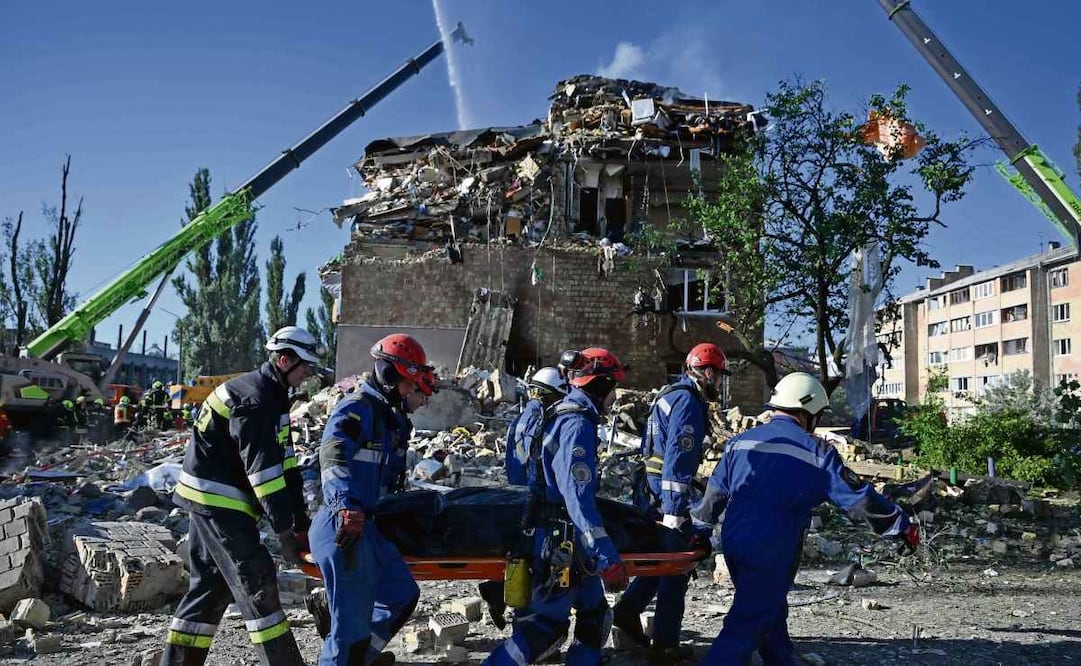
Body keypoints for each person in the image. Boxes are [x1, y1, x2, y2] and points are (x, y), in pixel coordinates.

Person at [691, 372, 920, 665]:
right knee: (747, 622)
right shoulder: (816, 452)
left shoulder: (739, 443)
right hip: (771, 545)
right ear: (807, 410)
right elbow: (858, 498)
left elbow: (714, 494)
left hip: (734, 540)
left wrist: (699, 529)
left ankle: (782, 659)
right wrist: (899, 525)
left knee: (768, 607)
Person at [161, 326, 319, 665]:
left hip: (216, 497)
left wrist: (300, 519)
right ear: (284, 359)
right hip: (216, 499)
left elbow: (286, 462)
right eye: (305, 364)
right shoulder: (255, 399)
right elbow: (264, 474)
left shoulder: (274, 394)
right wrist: (283, 531)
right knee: (256, 577)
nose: (309, 372)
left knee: (210, 588)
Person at [484, 348, 630, 666]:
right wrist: (607, 557)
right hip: (561, 540)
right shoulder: (576, 424)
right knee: (547, 628)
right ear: (601, 384)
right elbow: (575, 496)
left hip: (567, 538)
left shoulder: (563, 415)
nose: (615, 395)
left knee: (594, 613)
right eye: (613, 386)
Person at [310, 334, 434, 666]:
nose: (413, 393)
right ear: (391, 376)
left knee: (401, 595)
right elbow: (333, 454)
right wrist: (345, 505)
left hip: (367, 527)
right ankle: (347, 657)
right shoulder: (358, 408)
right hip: (344, 526)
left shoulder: (387, 418)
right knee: (348, 633)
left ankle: (360, 658)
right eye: (410, 385)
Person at [614, 342, 728, 658]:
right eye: (718, 377)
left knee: (659, 560)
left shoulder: (671, 395)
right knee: (676, 564)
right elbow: (677, 459)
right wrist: (675, 511)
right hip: (666, 495)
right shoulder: (689, 403)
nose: (718, 383)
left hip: (651, 490)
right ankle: (664, 645)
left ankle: (628, 609)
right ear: (707, 372)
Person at [479, 366, 570, 629]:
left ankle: (499, 591)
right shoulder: (541, 421)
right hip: (535, 503)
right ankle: (526, 627)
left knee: (517, 556)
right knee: (533, 566)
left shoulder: (521, 418)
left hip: (517, 496)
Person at [506, 367, 569, 486]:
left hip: (517, 488)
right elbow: (551, 457)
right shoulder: (543, 420)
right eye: (560, 397)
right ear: (550, 394)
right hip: (536, 491)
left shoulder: (520, 419)